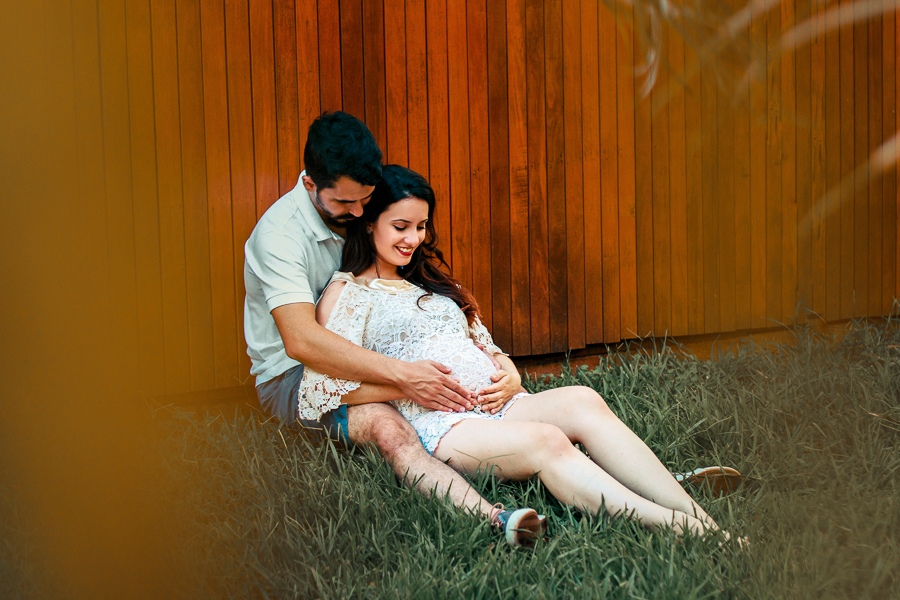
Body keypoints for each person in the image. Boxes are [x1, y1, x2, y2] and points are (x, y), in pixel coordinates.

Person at [299, 165, 737, 541]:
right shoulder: (348, 294)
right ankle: (680, 528)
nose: (414, 238)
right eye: (401, 226)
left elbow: (485, 345)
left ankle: (699, 517)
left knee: (584, 398)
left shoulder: (429, 284)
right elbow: (325, 391)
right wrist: (405, 382)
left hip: (503, 404)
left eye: (421, 226)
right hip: (445, 424)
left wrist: (509, 372)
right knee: (547, 440)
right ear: (370, 222)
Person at [243, 112, 544, 546]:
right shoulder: (280, 237)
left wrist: (500, 364)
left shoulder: (358, 214)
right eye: (347, 203)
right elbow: (302, 341)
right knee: (389, 428)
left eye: (366, 200)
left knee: (439, 387)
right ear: (310, 184)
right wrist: (403, 378)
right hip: (293, 374)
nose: (360, 212)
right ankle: (497, 520)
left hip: (364, 352)